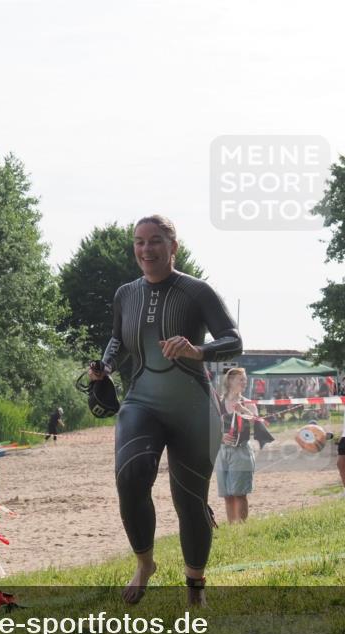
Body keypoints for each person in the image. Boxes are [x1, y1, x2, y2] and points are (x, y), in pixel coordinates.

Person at [90, 215, 241, 607]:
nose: (146, 250)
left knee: (189, 500)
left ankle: (195, 590)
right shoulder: (126, 294)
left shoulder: (196, 291)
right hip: (142, 401)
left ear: (173, 246)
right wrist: (104, 367)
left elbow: (233, 340)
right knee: (131, 477)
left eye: (155, 241)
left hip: (193, 407)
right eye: (139, 242)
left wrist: (198, 350)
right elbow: (117, 339)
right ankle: (145, 563)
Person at [216, 368, 257, 523]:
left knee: (239, 493)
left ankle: (241, 527)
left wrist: (242, 409)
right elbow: (209, 426)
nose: (244, 382)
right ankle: (232, 527)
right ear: (230, 381)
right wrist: (220, 437)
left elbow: (255, 421)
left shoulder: (247, 402)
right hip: (222, 452)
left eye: (245, 379)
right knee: (227, 494)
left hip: (241, 451)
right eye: (241, 379)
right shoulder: (217, 402)